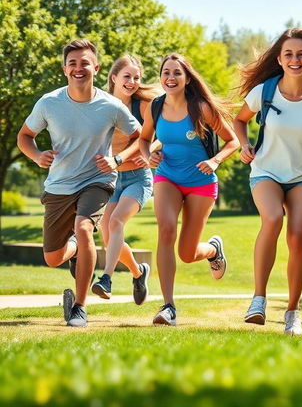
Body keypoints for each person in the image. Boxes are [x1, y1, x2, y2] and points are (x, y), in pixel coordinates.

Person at [17, 39, 140, 327]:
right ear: (65, 69)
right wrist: (36, 155)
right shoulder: (49, 102)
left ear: (95, 67)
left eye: (84, 62)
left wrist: (117, 160)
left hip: (97, 180)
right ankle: (73, 247)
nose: (78, 68)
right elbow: (24, 136)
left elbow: (139, 138)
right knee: (52, 257)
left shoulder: (111, 106)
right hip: (59, 184)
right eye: (72, 63)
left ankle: (80, 308)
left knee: (84, 227)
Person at [233, 28, 302, 336]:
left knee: (296, 236)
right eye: (289, 54)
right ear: (279, 59)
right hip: (266, 170)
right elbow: (239, 120)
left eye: (301, 54)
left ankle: (293, 311)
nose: (295, 59)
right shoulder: (264, 92)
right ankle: (259, 298)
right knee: (273, 218)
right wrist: (244, 143)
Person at [139, 53, 239, 326]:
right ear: (161, 77)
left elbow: (233, 141)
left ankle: (212, 250)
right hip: (167, 177)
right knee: (166, 229)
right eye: (166, 73)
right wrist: (149, 156)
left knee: (186, 252)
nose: (170, 78)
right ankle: (168, 306)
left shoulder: (201, 108)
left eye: (176, 73)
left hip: (200, 183)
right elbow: (144, 139)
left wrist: (215, 160)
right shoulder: (155, 107)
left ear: (186, 79)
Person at [91, 55, 161, 304]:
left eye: (136, 77)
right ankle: (138, 272)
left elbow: (160, 136)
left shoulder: (142, 106)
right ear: (113, 78)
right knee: (108, 237)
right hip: (112, 179)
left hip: (138, 179)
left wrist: (149, 150)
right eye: (127, 76)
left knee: (117, 221)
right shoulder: (101, 105)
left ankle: (106, 278)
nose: (132, 82)